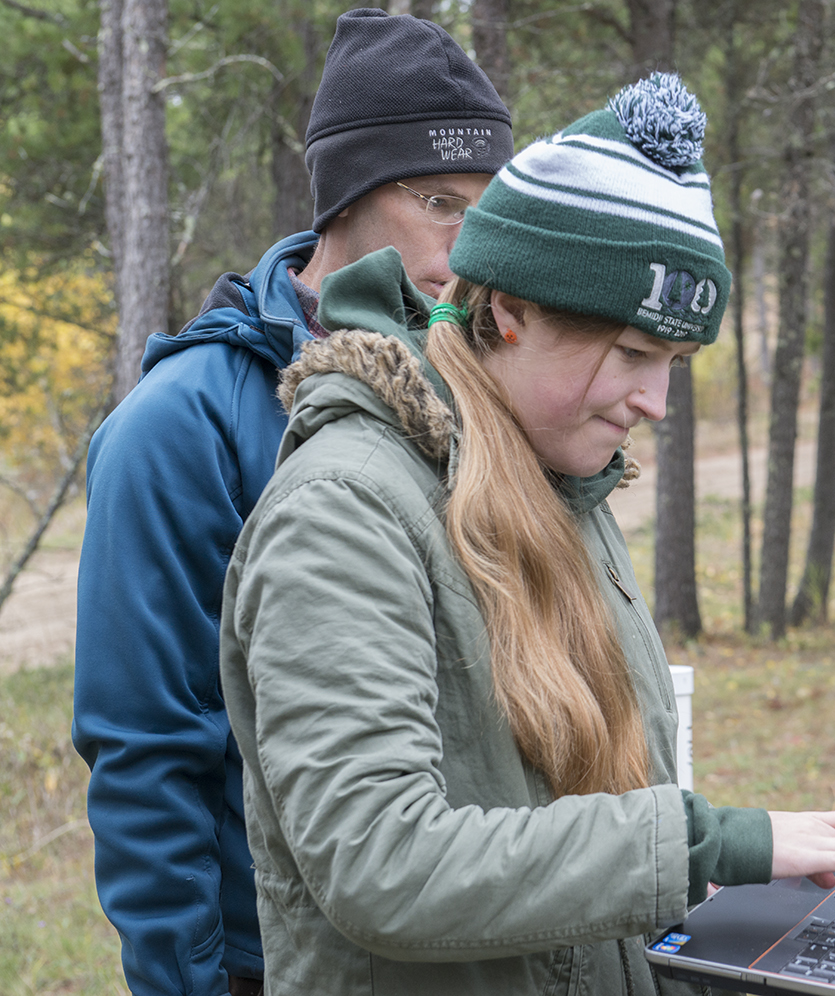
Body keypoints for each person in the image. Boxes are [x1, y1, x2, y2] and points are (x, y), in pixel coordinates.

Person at [217, 73, 835, 995]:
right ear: (508, 313)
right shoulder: (344, 511)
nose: (655, 401)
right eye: (630, 354)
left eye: (673, 364)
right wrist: (713, 843)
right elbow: (381, 862)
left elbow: (581, 869)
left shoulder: (563, 486)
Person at [71, 10, 511, 996]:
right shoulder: (177, 429)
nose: (472, 246)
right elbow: (146, 755)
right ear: (348, 195)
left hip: (464, 938)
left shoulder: (477, 386)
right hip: (270, 960)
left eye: (492, 208)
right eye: (442, 202)